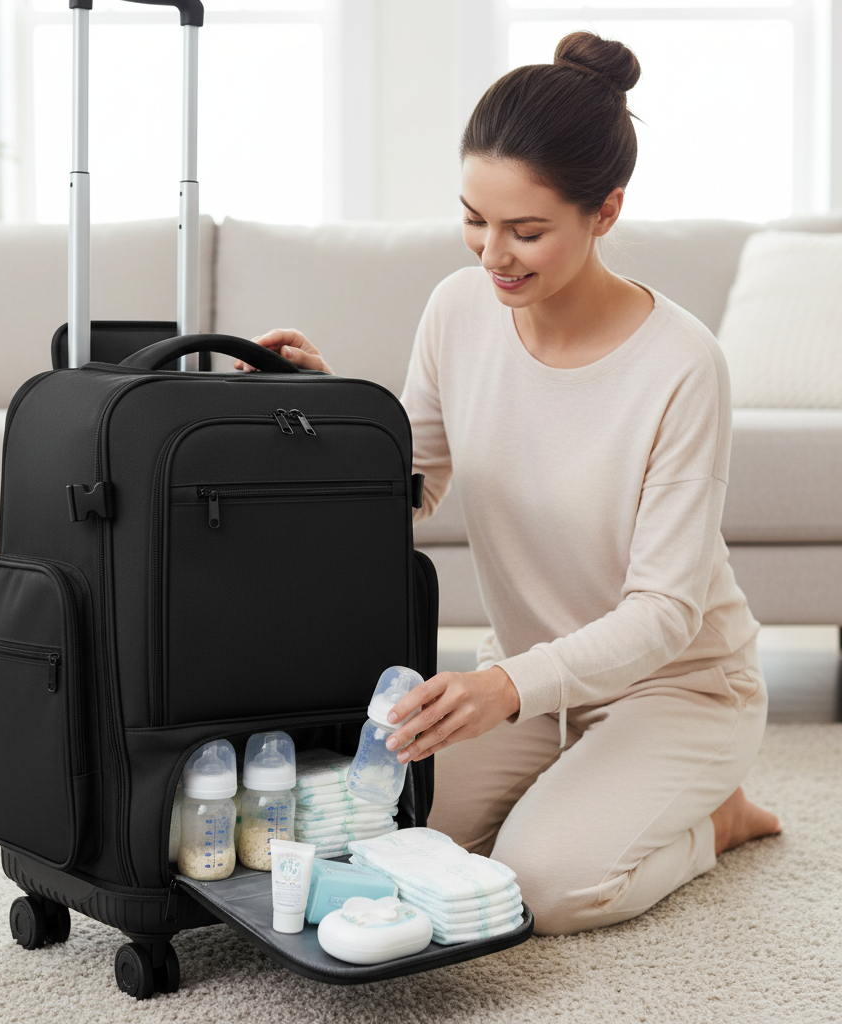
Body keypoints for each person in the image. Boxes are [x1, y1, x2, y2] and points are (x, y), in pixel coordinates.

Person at [236, 31, 781, 935]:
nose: (493, 255)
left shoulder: (684, 365)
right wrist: (327, 418)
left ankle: (715, 819)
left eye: (526, 231)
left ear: (604, 212)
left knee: (545, 889)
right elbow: (410, 485)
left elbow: (664, 613)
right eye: (473, 220)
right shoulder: (459, 310)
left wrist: (503, 689)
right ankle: (580, 780)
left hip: (679, 686)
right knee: (385, 832)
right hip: (531, 679)